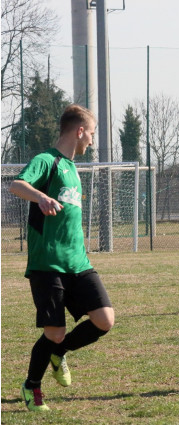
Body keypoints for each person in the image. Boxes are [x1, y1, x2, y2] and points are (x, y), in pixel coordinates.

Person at [9, 104, 115, 412]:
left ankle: (60, 352)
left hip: (78, 263)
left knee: (104, 320)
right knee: (53, 332)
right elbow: (17, 184)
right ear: (79, 131)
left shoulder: (72, 169)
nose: (92, 141)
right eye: (91, 134)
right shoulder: (47, 160)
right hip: (48, 264)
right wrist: (40, 196)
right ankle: (32, 385)